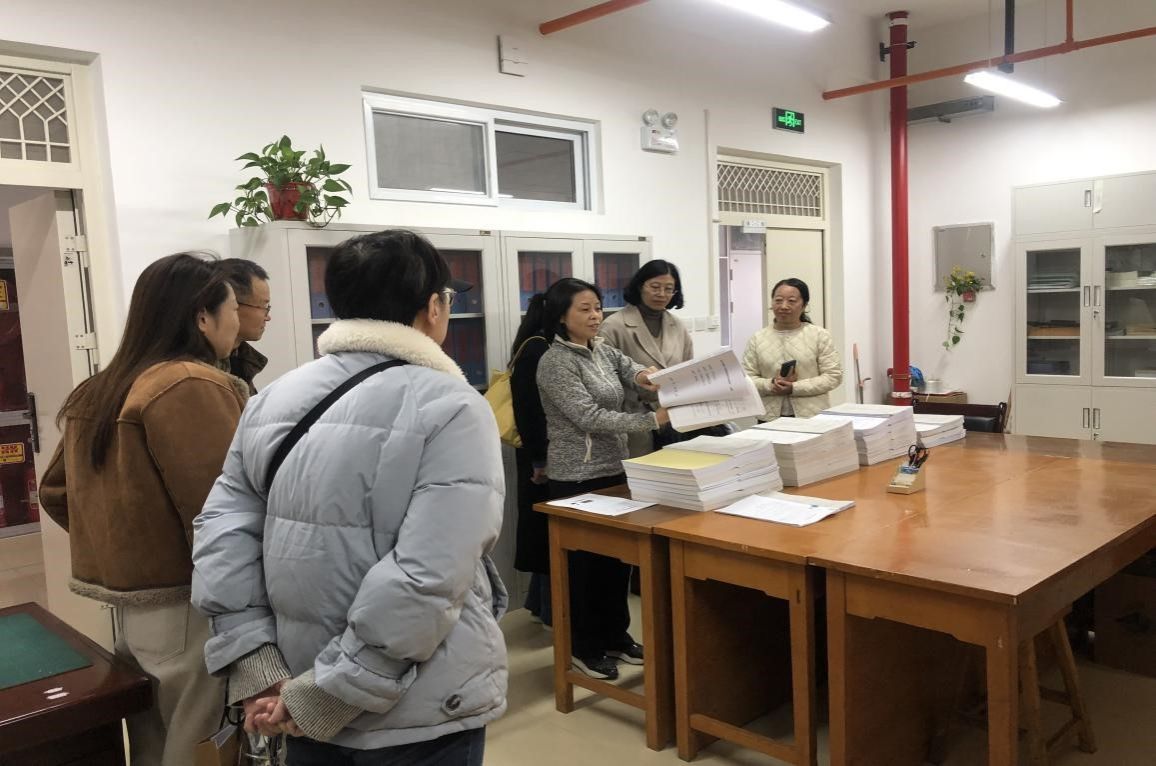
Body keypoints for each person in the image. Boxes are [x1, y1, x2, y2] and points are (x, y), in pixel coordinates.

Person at [191, 229, 507, 765]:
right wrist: (329, 694)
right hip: (414, 706)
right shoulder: (453, 405)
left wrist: (258, 666)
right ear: (433, 307)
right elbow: (430, 572)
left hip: (292, 686)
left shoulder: (275, 396)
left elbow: (223, 532)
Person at [39, 252, 246, 766]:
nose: (239, 323)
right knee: (202, 747)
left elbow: (55, 492)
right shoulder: (190, 383)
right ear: (202, 316)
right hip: (192, 603)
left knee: (154, 743)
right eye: (233, 310)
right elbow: (221, 513)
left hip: (134, 610)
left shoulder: (102, 387)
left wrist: (122, 551)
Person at [535, 277, 667, 681]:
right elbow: (587, 416)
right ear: (562, 316)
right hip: (576, 477)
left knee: (614, 563)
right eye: (585, 309)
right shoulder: (555, 362)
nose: (596, 316)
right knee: (583, 568)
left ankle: (615, 635)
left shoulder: (601, 349)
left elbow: (631, 369)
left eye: (597, 307)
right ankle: (583, 647)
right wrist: (652, 420)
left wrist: (647, 376)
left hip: (613, 468)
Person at [599, 259, 694, 456]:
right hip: (633, 420)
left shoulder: (677, 326)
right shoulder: (613, 326)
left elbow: (688, 371)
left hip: (673, 418)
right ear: (640, 286)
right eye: (655, 287)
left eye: (669, 289)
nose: (662, 294)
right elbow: (604, 382)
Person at [510, 293, 553, 627]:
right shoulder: (538, 350)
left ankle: (539, 604)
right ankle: (551, 609)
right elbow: (531, 410)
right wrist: (540, 460)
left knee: (542, 534)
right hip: (540, 452)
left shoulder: (530, 345)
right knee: (547, 536)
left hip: (535, 450)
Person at [742, 277, 843, 420]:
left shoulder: (819, 335)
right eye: (778, 300)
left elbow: (833, 376)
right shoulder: (757, 338)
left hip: (811, 416)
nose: (784, 306)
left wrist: (794, 388)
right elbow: (746, 379)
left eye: (791, 301)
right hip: (769, 418)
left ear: (804, 305)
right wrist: (770, 384)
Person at [218, 258, 270, 394]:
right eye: (263, 306)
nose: (268, 317)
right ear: (233, 305)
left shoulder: (239, 360)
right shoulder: (198, 373)